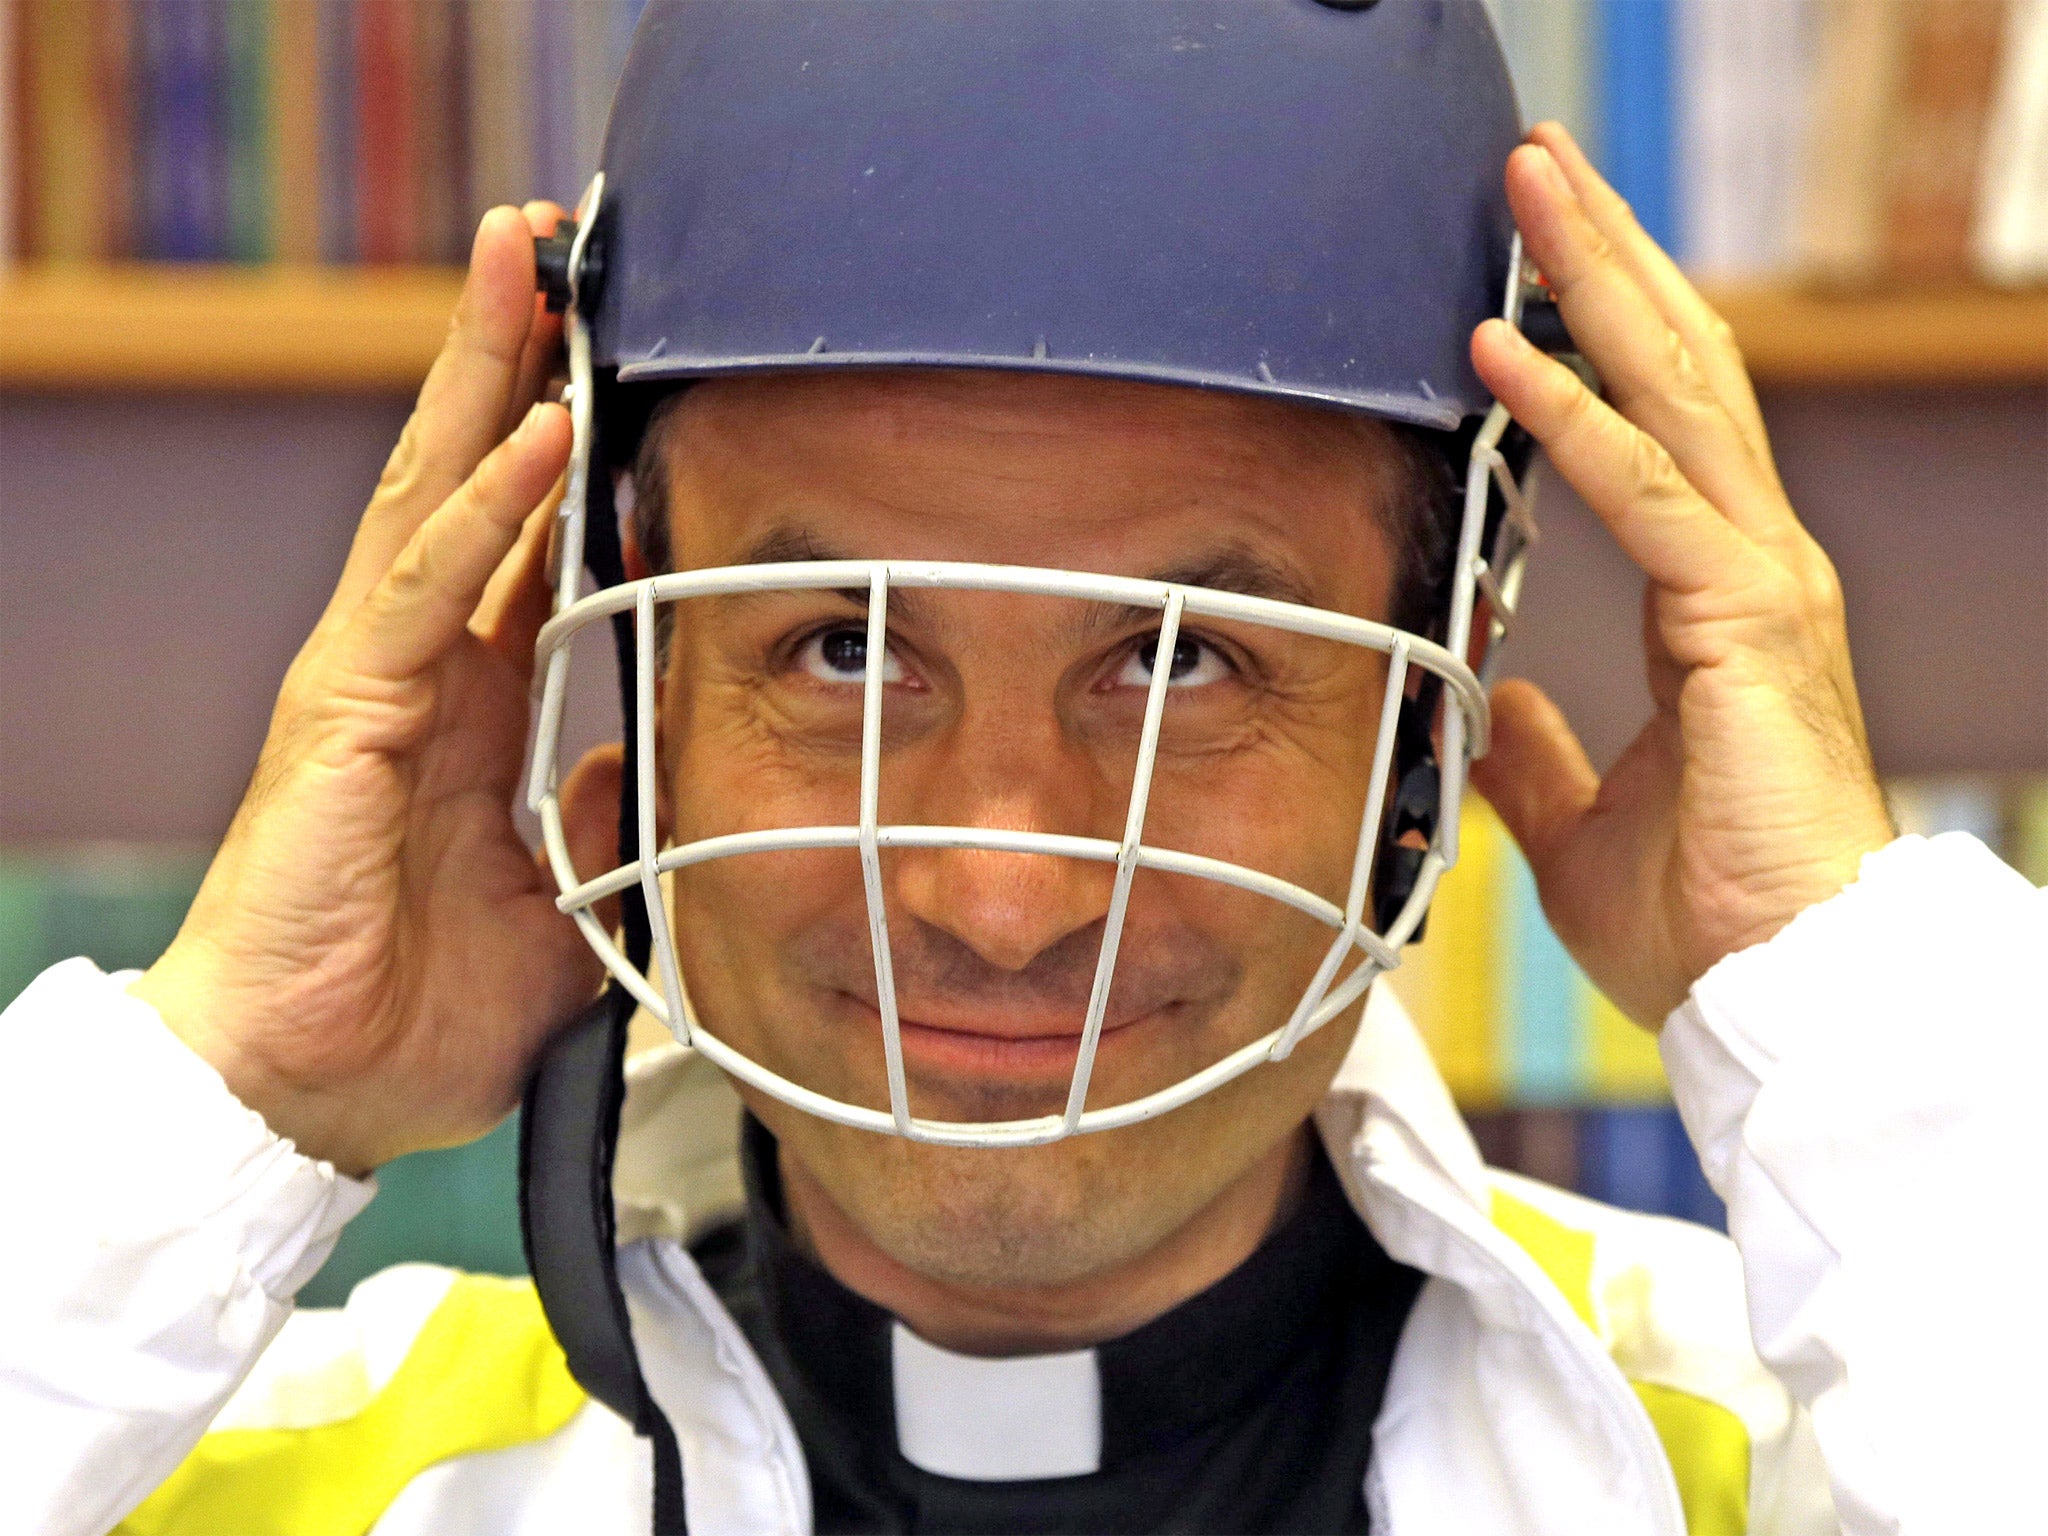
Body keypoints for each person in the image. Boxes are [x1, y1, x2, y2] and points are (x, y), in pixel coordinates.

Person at [2, 5, 2041, 1534]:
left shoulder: (1804, 1442)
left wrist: (1834, 994)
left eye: (1183, 663)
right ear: (628, 686)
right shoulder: (245, 1465)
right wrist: (228, 1081)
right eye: (839, 647)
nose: (998, 890)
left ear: (1425, 728)